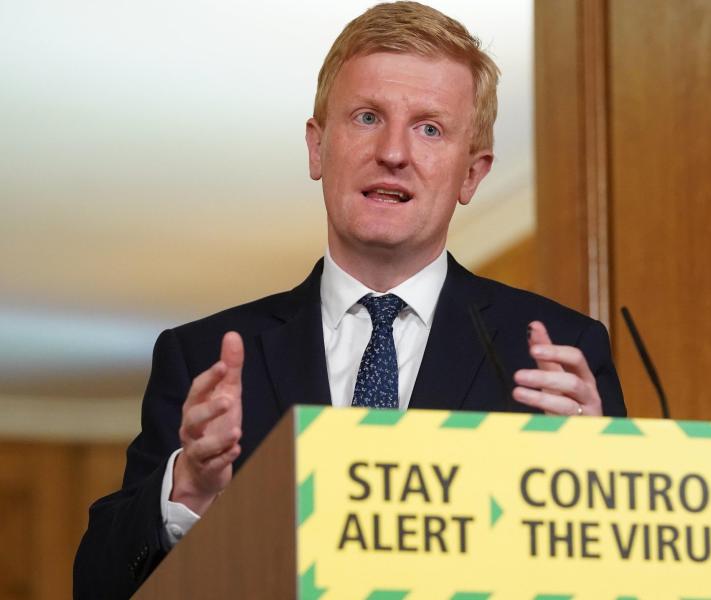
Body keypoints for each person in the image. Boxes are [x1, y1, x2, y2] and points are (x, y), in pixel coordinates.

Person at [73, 2, 625, 598]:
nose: (393, 151)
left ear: (472, 175)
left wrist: (595, 490)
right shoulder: (201, 356)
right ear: (317, 148)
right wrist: (190, 489)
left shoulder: (560, 357)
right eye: (367, 117)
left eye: (430, 128)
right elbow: (98, 585)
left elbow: (629, 579)